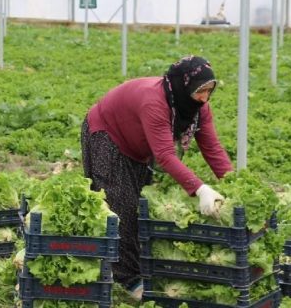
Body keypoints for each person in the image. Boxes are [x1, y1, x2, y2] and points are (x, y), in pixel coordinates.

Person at [80, 55, 233, 299]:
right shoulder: (156, 102)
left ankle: (132, 264)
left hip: (138, 146)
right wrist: (200, 189)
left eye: (209, 91)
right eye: (200, 91)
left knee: (140, 206)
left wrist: (233, 183)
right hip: (107, 134)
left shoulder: (198, 109)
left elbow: (212, 148)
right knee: (122, 206)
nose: (205, 98)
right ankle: (127, 279)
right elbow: (164, 154)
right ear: (184, 87)